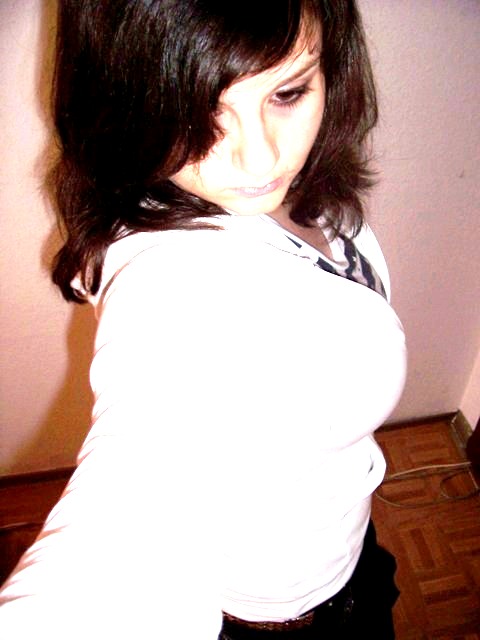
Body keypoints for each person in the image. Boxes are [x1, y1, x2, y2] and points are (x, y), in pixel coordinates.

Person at [0, 1, 407, 638]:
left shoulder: (295, 186)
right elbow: (127, 509)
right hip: (292, 619)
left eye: (288, 93)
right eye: (199, 112)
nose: (261, 159)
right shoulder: (172, 286)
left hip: (347, 550)